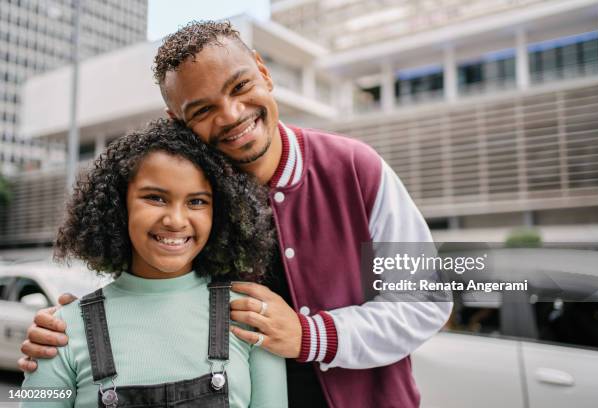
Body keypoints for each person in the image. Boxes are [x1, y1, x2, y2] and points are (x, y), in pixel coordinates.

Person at [20, 21, 452, 407]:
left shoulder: (357, 167)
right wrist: (83, 329)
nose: (231, 115)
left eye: (240, 86)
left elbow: (426, 301)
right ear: (178, 120)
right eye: (203, 109)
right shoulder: (199, 199)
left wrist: (310, 336)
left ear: (263, 72)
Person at [20, 119, 287, 407]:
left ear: (220, 211)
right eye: (155, 198)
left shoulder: (250, 317)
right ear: (119, 205)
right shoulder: (59, 331)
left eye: (197, 201)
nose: (175, 220)